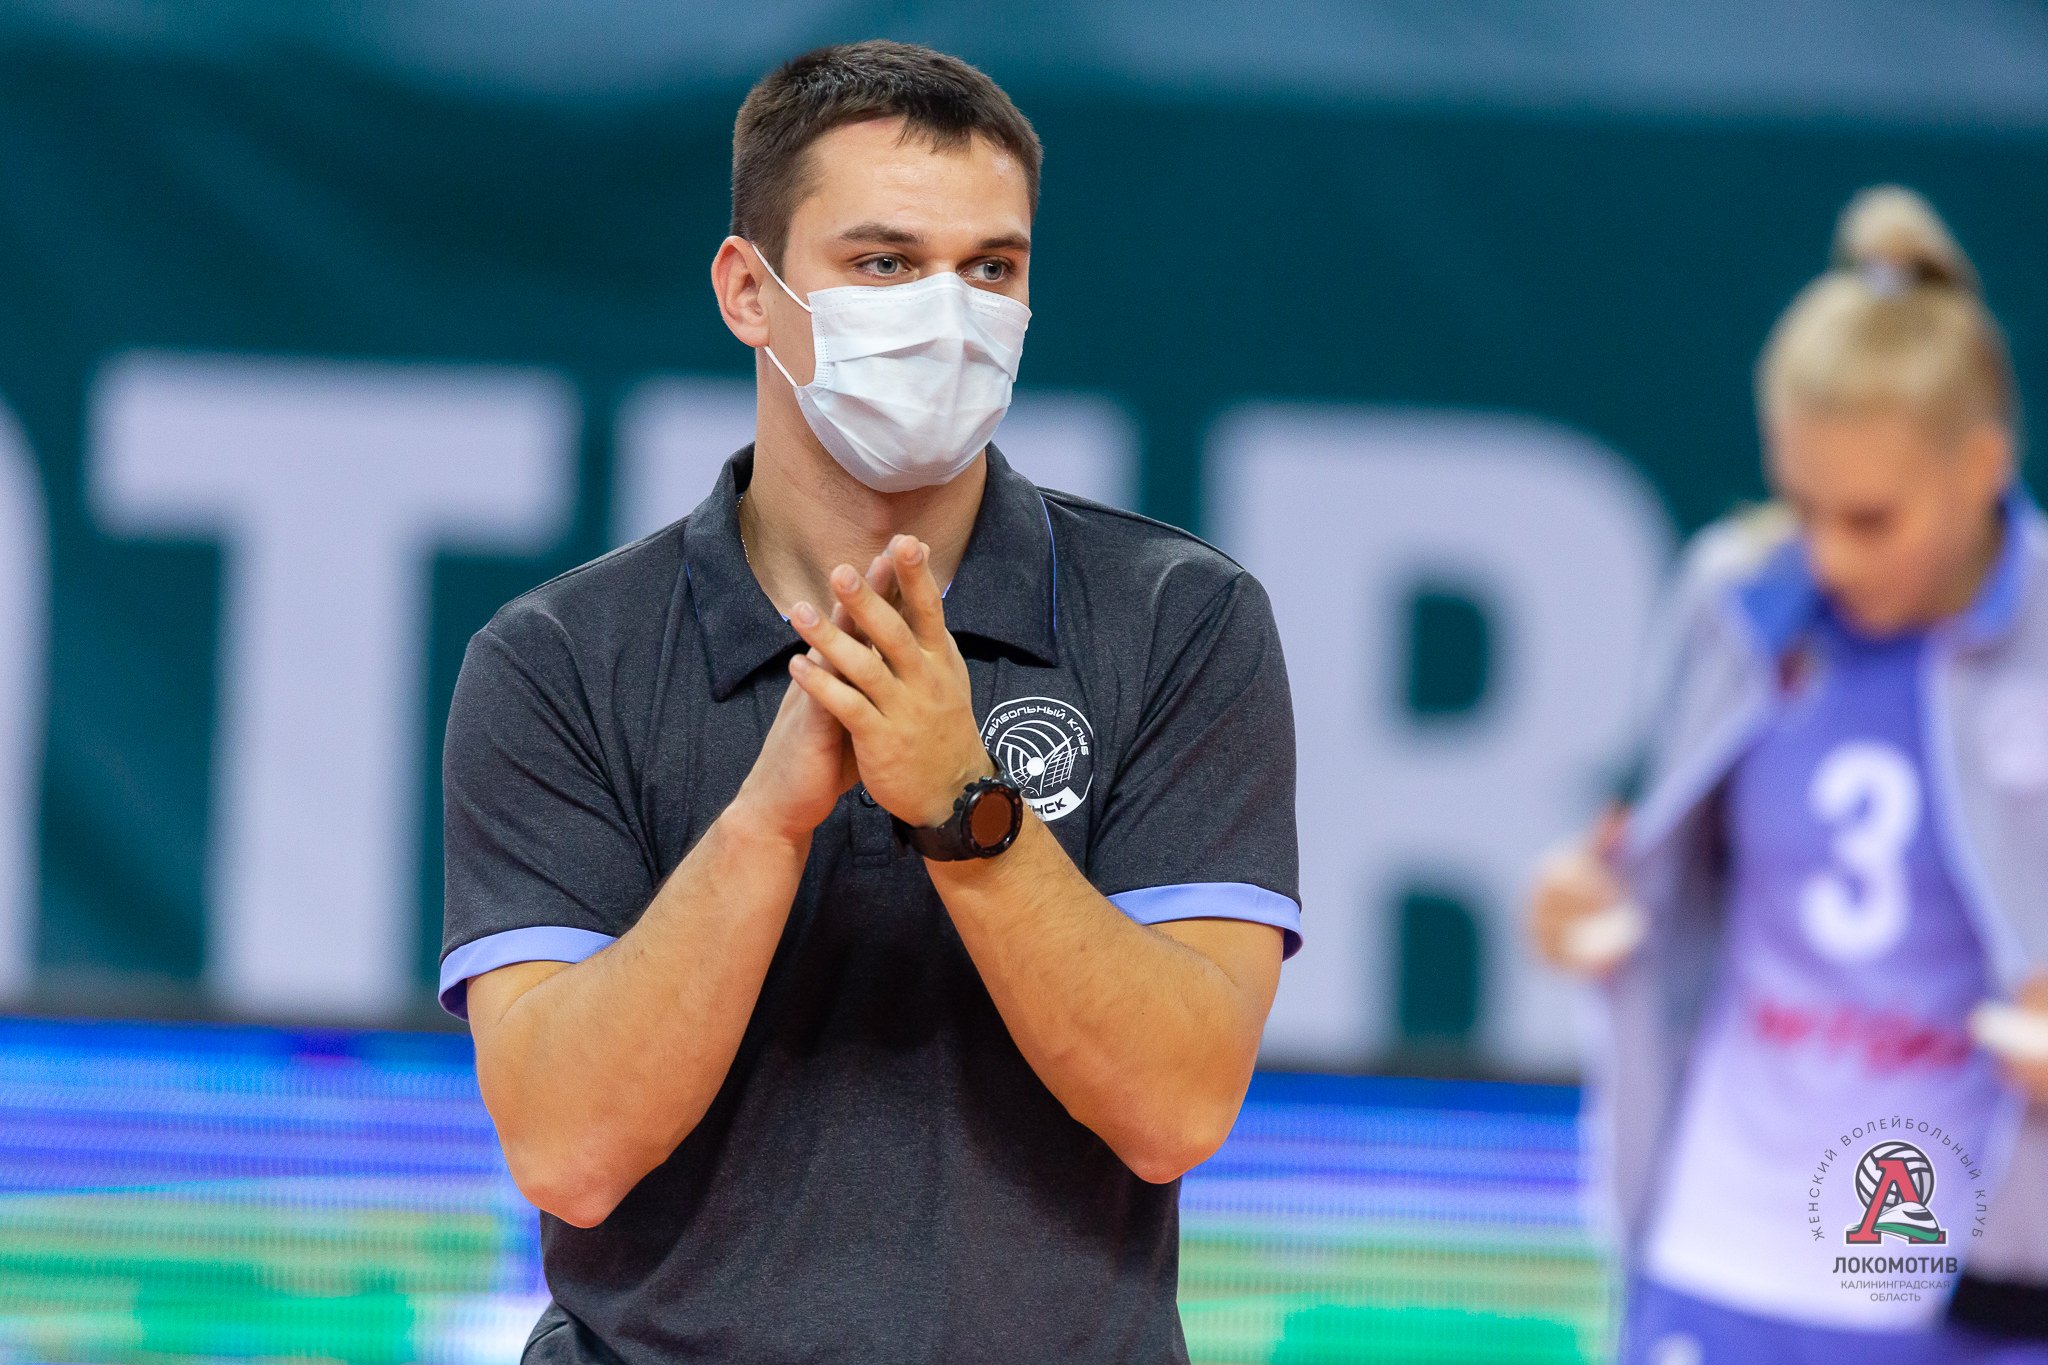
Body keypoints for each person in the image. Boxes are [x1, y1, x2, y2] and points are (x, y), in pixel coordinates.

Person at [436, 40, 1301, 1365]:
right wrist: (766, 826)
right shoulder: (557, 656)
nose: (947, 315)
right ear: (749, 291)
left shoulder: (1179, 618)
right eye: (885, 263)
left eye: (991, 269)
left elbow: (1175, 1109)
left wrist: (966, 806)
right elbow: (568, 1152)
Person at [1528, 186, 2048, 1363]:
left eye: (1869, 518)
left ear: (1982, 464)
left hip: (1972, 1270)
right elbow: (1646, 863)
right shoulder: (1731, 595)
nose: (1826, 555)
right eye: (1798, 504)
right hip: (1720, 1240)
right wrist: (1580, 904)